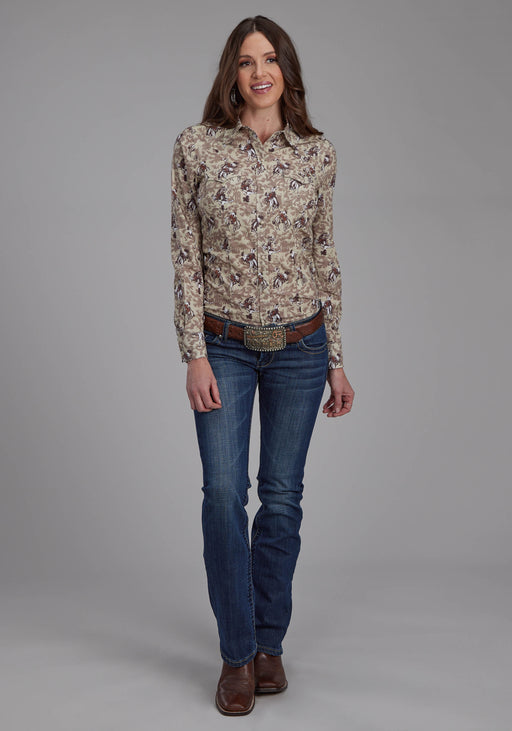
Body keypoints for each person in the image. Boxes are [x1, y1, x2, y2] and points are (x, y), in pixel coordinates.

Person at [170, 15, 354, 716]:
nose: (259, 72)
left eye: (270, 59)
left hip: (301, 348)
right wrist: (193, 352)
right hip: (223, 344)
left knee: (281, 498)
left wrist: (336, 359)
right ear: (232, 73)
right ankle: (237, 652)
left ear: (286, 70)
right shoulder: (196, 147)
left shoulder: (317, 153)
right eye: (246, 61)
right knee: (224, 494)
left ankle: (269, 643)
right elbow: (185, 256)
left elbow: (325, 256)